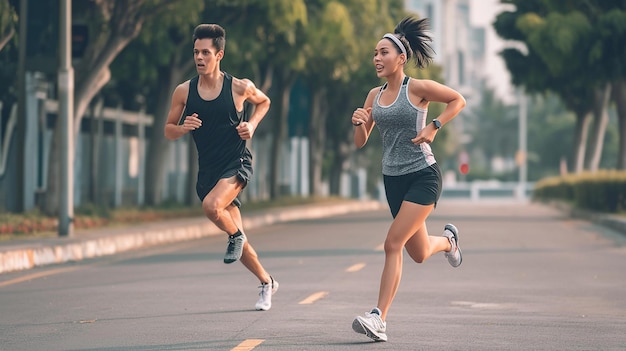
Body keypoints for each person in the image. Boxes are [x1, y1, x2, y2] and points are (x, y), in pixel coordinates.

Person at [350, 16, 466, 342]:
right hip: (393, 180)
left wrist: (435, 126)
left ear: (401, 58)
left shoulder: (416, 88)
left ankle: (378, 319)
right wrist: (360, 122)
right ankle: (449, 242)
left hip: (423, 176)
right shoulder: (373, 96)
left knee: (392, 243)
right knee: (417, 252)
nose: (377, 58)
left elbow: (458, 100)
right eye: (375, 53)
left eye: (383, 52)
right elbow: (361, 142)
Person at [164, 24, 278, 311]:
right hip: (209, 172)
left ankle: (236, 237)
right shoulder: (184, 91)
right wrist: (182, 127)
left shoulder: (239, 87)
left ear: (219, 54)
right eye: (195, 52)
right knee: (238, 243)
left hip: (236, 164)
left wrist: (251, 124)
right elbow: (167, 130)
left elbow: (264, 102)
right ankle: (267, 282)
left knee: (212, 208)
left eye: (205, 52)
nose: (199, 58)